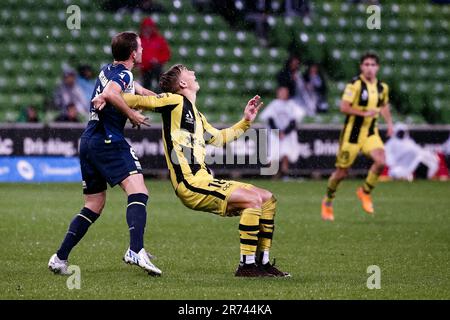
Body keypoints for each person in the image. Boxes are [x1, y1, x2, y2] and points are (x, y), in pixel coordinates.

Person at [93, 64, 290, 278]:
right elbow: (139, 101)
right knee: (253, 200)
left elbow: (219, 138)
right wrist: (108, 95)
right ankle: (247, 266)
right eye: (189, 71)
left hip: (204, 179)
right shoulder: (174, 101)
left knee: (268, 199)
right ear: (183, 83)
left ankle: (263, 262)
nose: (194, 73)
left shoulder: (197, 114)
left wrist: (245, 122)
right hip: (190, 183)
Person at [48, 32, 162, 276]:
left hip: (89, 139)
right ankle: (136, 249)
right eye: (140, 47)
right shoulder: (124, 73)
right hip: (108, 139)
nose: (142, 50)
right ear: (133, 53)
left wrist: (164, 100)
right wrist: (132, 115)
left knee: (94, 203)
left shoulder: (108, 69)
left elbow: (134, 90)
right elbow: (112, 93)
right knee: (139, 191)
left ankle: (59, 257)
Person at [321, 52, 394, 221]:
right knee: (341, 173)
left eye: (372, 65)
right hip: (352, 134)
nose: (369, 68)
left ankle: (365, 191)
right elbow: (344, 107)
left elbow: (383, 105)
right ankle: (328, 201)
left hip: (370, 132)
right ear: (361, 67)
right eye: (366, 64)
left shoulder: (382, 87)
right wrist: (364, 112)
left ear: (378, 67)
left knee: (381, 160)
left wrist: (389, 123)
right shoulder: (354, 85)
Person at [259, 86, 305, 178]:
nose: (283, 94)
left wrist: (285, 132)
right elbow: (270, 119)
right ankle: (273, 174)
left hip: (287, 134)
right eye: (281, 92)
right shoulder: (274, 104)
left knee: (286, 153)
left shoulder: (292, 105)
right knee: (273, 153)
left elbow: (294, 121)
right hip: (275, 133)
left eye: (285, 92)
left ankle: (285, 173)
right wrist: (278, 132)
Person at [140, 17, 171, 92]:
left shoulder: (159, 40)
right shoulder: (139, 39)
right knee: (146, 81)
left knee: (158, 73)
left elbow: (166, 54)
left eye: (149, 27)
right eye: (146, 27)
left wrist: (158, 60)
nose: (148, 29)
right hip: (144, 68)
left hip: (156, 67)